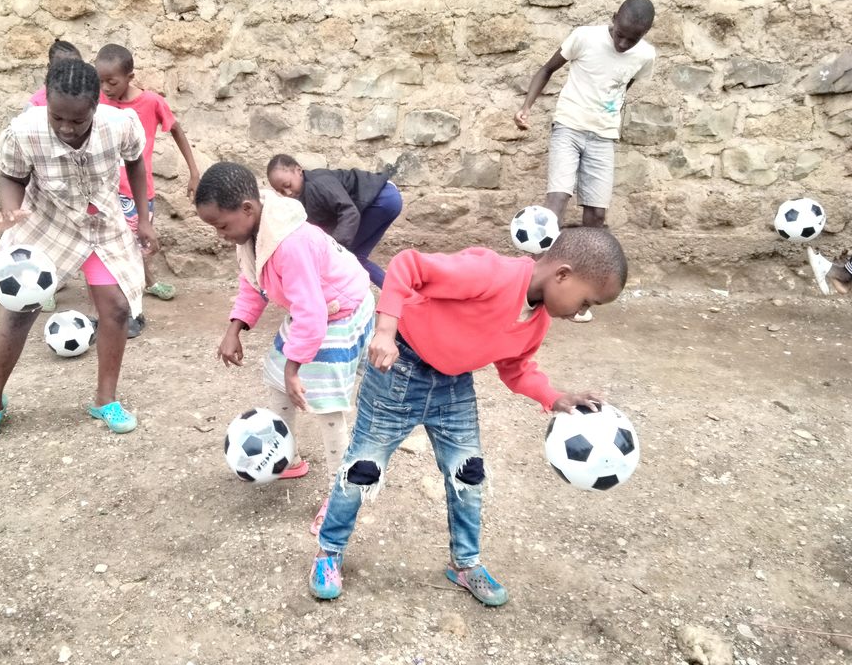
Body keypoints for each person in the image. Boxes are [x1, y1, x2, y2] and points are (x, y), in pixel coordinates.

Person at [308, 228, 629, 605]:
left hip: (453, 386)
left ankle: (465, 563)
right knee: (364, 467)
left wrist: (554, 397)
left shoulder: (537, 320)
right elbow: (407, 266)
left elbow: (516, 368)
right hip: (399, 369)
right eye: (586, 301)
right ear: (562, 274)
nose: (581, 312)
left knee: (468, 473)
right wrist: (385, 330)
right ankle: (329, 552)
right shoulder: (490, 274)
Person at [0, 59, 157, 446]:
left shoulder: (119, 125)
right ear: (47, 104)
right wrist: (11, 211)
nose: (67, 128)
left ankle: (105, 400)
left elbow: (136, 163)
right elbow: (11, 175)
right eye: (58, 118)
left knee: (117, 308)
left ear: (96, 107)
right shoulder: (25, 131)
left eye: (78, 120)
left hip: (101, 222)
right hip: (46, 222)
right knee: (19, 312)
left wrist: (144, 219)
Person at [195, 162, 374, 534]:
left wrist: (296, 368)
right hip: (315, 308)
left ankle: (341, 493)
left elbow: (312, 313)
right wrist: (235, 328)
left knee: (324, 402)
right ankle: (286, 457)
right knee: (278, 381)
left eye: (221, 226)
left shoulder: (290, 244)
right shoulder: (253, 236)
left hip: (340, 309)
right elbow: (253, 282)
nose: (219, 235)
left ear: (247, 208)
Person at [514, 0, 656, 230]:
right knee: (557, 201)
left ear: (645, 33)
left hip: (604, 135)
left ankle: (586, 255)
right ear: (614, 19)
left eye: (632, 40)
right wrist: (526, 106)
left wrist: (608, 109)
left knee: (597, 214)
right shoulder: (585, 37)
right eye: (620, 35)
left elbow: (622, 85)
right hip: (569, 127)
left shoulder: (646, 55)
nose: (622, 44)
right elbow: (547, 69)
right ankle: (548, 254)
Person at [95, 44, 200, 308]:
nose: (106, 88)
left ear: (130, 77)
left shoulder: (151, 102)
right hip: (104, 187)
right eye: (101, 81)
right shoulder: (98, 101)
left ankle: (146, 281)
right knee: (110, 243)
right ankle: (127, 294)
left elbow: (176, 130)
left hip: (136, 190)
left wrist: (194, 171)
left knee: (139, 242)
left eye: (112, 82)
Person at [266, 154, 403, 289]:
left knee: (348, 256)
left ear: (298, 170)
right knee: (357, 257)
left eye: (288, 185)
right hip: (386, 201)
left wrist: (333, 248)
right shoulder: (301, 197)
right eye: (281, 191)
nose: (287, 192)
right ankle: (402, 295)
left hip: (383, 198)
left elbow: (349, 212)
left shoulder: (318, 183)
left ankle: (396, 295)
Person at [28, 40, 81, 108]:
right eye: (62, 67)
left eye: (76, 66)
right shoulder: (36, 104)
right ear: (50, 68)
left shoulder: (90, 96)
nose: (71, 72)